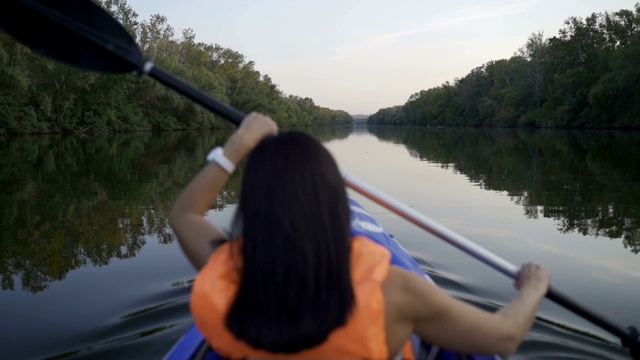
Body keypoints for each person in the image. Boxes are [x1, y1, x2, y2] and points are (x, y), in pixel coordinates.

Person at [169, 112, 551, 359]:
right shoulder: (396, 289)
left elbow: (185, 213)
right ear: (334, 202)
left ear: (252, 205)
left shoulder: (226, 267)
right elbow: (503, 338)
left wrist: (237, 146)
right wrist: (532, 287)